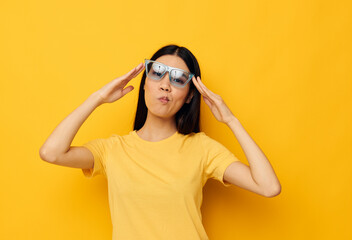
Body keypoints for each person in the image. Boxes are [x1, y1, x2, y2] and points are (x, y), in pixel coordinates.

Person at [39, 44, 281, 240]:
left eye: (178, 79)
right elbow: (51, 153)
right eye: (157, 73)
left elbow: (269, 187)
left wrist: (230, 120)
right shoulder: (113, 149)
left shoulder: (202, 148)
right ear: (145, 83)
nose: (165, 84)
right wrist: (98, 98)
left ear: (189, 96)